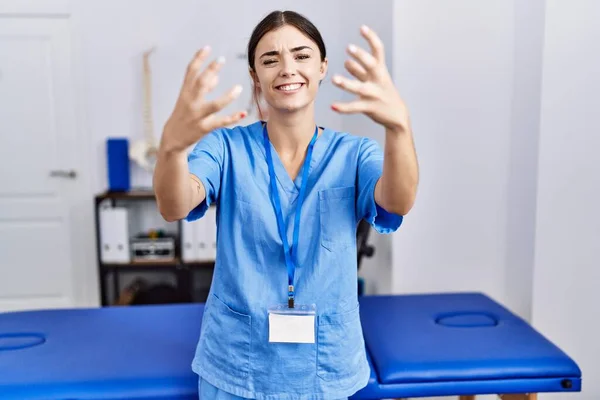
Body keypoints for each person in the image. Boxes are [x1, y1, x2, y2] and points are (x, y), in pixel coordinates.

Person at [153, 9, 418, 400]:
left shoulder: (353, 153)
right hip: (236, 365)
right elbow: (174, 205)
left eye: (301, 55)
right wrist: (172, 148)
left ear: (323, 67)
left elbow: (399, 199)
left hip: (324, 364)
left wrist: (399, 129)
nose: (287, 68)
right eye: (270, 59)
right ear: (254, 75)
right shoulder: (226, 148)